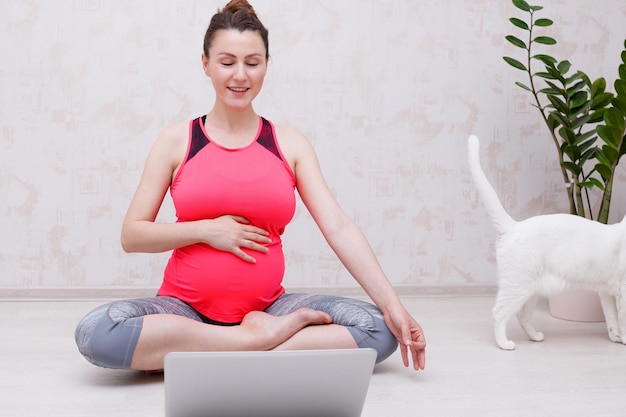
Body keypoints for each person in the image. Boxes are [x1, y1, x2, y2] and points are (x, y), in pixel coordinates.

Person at [74, 0, 426, 372]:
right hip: (184, 312)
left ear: (266, 66)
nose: (240, 75)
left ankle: (207, 352)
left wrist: (395, 307)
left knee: (379, 329)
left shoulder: (289, 144)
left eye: (252, 63)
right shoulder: (177, 141)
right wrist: (208, 231)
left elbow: (338, 227)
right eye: (227, 62)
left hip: (270, 309)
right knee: (97, 332)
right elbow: (132, 236)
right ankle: (254, 343)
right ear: (205, 64)